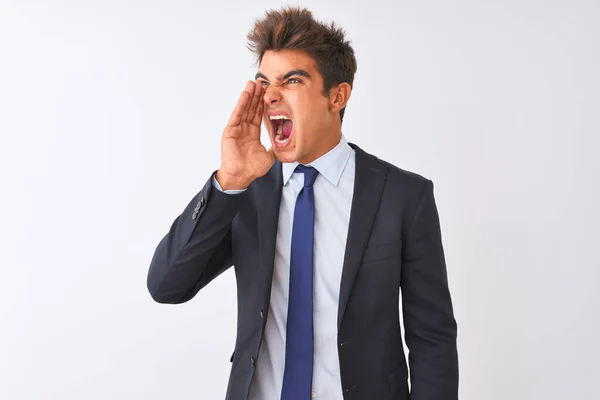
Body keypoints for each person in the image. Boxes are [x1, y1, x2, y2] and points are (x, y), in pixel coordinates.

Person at [147, 6, 458, 400]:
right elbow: (166, 285)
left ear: (337, 95)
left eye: (291, 80)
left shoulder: (403, 197)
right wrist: (229, 181)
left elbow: (433, 338)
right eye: (264, 82)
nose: (270, 95)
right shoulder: (247, 190)